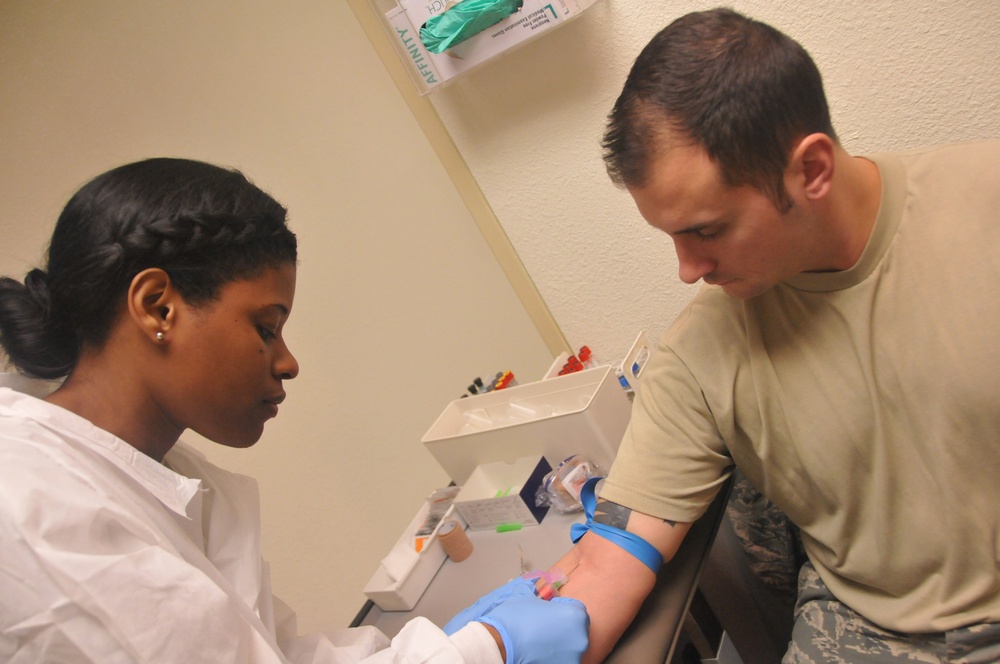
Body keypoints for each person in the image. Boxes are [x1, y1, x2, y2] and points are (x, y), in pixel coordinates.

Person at [518, 7, 998, 663]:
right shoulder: (700, 354)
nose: (688, 269)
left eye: (707, 230)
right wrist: (486, 648)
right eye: (671, 236)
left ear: (813, 170)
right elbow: (608, 562)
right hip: (876, 632)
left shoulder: (983, 212)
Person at [0, 157, 589, 663]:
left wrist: (450, 643)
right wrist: (487, 648)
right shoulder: (33, 510)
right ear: (158, 308)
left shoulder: (171, 477)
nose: (288, 363)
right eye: (265, 327)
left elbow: (270, 653)